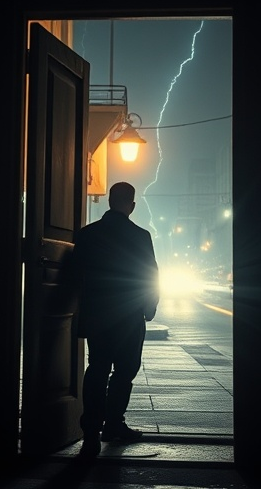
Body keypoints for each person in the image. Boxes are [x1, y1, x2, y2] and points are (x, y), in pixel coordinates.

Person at [71, 181, 160, 457]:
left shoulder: (87, 235)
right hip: (129, 314)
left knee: (97, 368)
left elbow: (75, 275)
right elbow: (150, 275)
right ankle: (114, 423)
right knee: (125, 370)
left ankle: (90, 435)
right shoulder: (141, 236)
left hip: (98, 314)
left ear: (109, 201)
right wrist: (149, 307)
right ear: (131, 206)